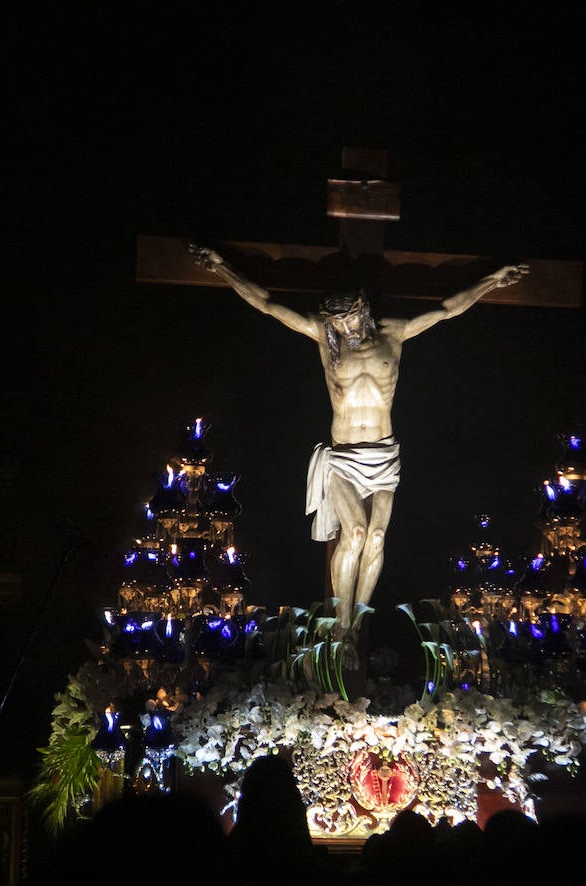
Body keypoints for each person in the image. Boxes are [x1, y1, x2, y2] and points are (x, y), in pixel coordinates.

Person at [189, 243, 528, 640]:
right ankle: (338, 621)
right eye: (337, 323)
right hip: (344, 456)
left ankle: (357, 622)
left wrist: (492, 281)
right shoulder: (324, 336)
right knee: (354, 534)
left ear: (363, 308)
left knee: (379, 535)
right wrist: (222, 269)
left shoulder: (395, 334)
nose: (345, 329)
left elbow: (448, 308)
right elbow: (267, 303)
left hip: (384, 454)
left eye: (349, 319)